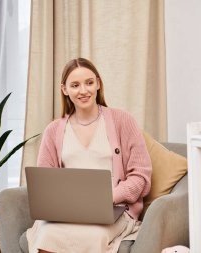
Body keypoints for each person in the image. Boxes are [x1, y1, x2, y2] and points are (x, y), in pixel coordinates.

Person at [26, 58, 152, 253]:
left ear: (98, 84)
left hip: (115, 209)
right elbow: (45, 182)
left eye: (89, 82)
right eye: (75, 85)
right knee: (47, 235)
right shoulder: (53, 130)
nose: (83, 90)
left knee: (94, 236)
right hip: (68, 214)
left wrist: (108, 197)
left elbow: (141, 177)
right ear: (64, 89)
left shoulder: (123, 121)